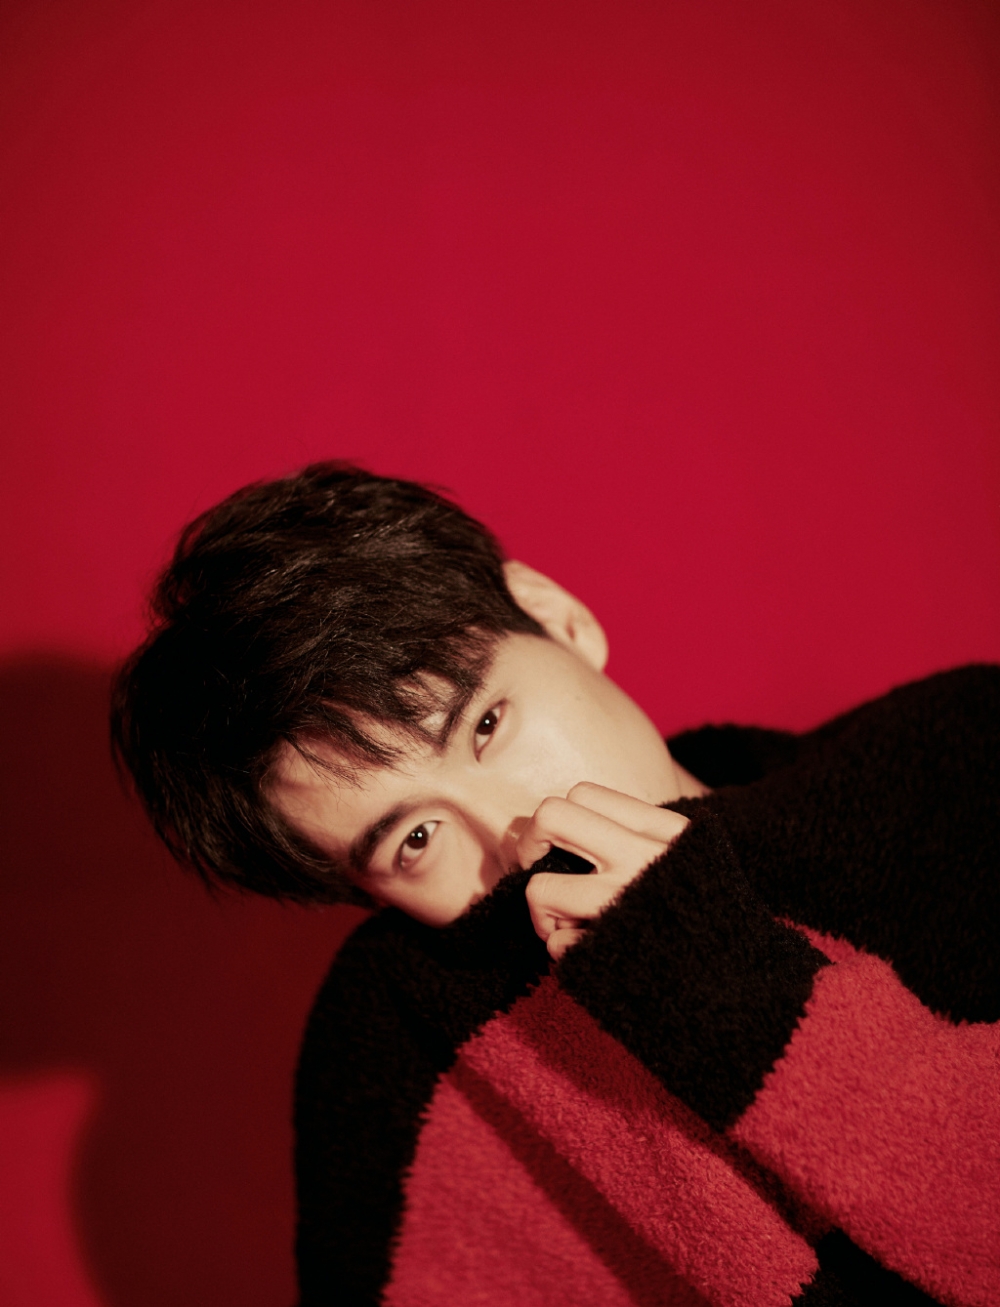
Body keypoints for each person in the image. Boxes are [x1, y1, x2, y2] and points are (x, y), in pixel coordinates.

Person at [112, 462, 999, 1307]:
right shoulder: (409, 1036)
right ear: (367, 896)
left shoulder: (957, 765)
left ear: (558, 617)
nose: (518, 829)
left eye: (485, 724)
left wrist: (741, 1000)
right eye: (416, 839)